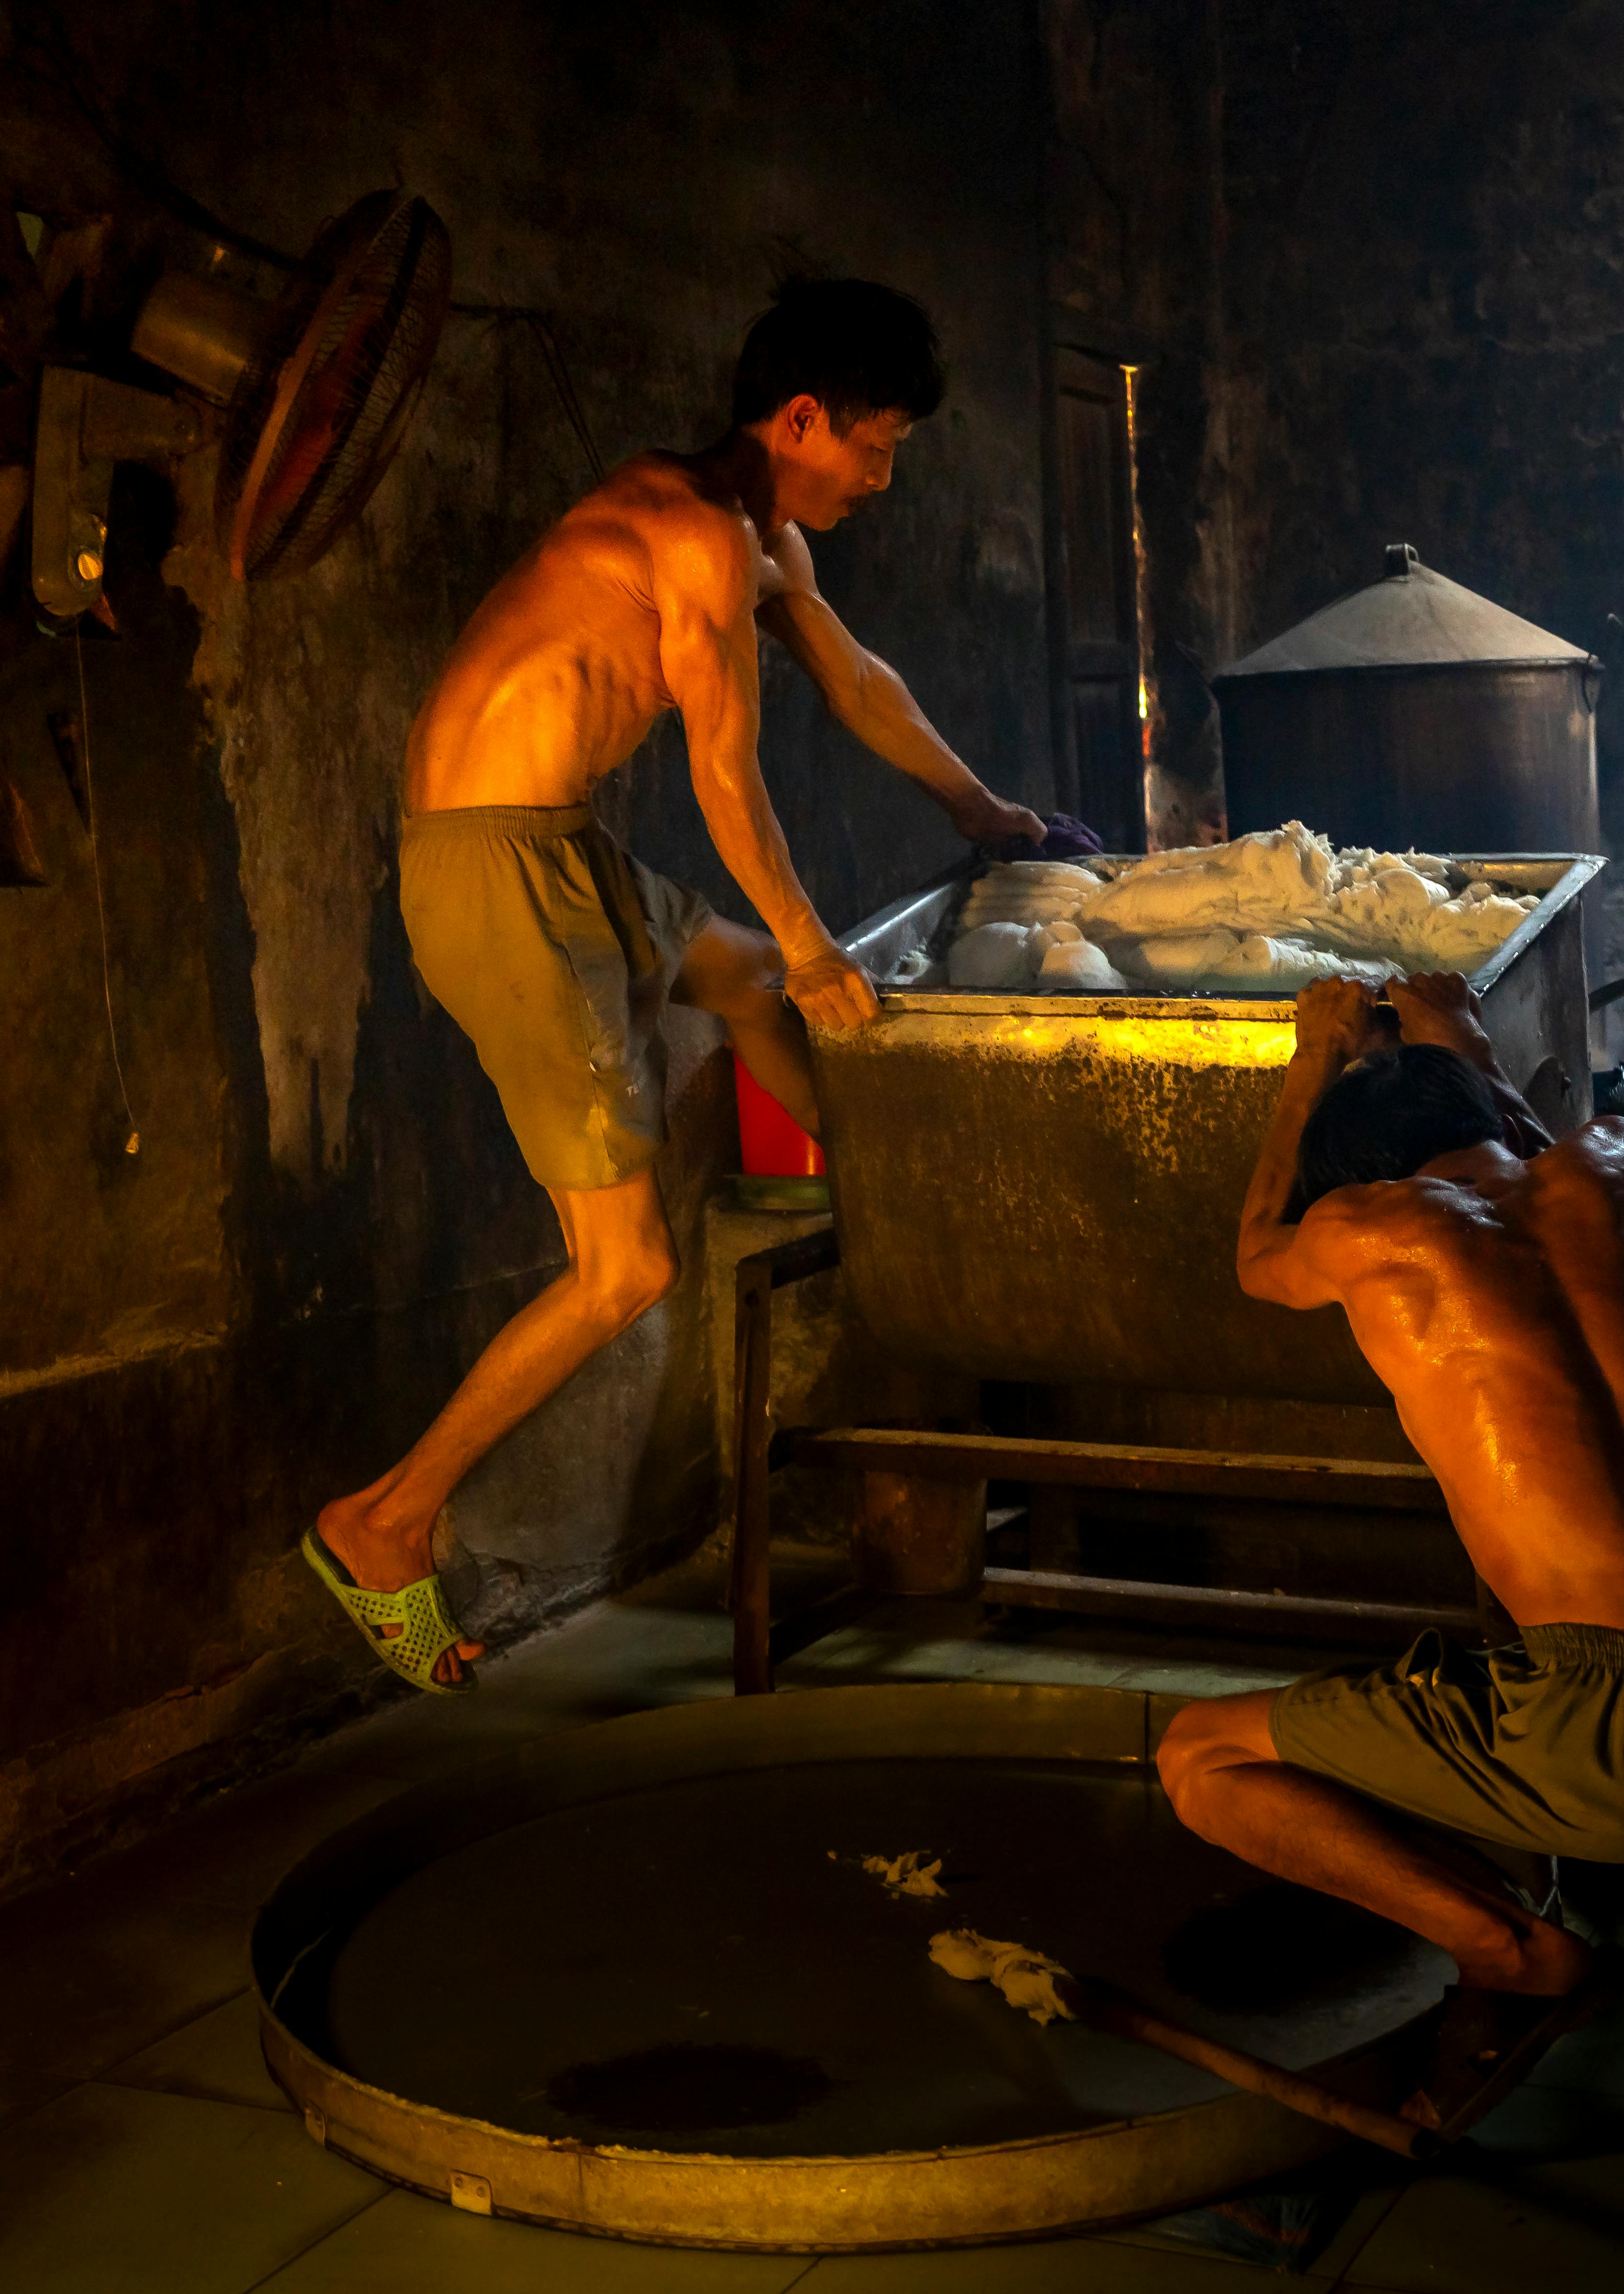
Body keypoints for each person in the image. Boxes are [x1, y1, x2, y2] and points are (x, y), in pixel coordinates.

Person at [302, 277, 1045, 1693]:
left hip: (560, 850)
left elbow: (859, 685)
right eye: (875, 448)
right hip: (494, 872)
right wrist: (827, 940)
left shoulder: (762, 542)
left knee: (750, 981)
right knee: (628, 1268)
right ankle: (384, 1519)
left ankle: (902, 1218)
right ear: (804, 419)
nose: (883, 480)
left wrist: (985, 810)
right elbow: (722, 768)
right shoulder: (691, 535)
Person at [1156, 974, 1624, 2134]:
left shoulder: (1362, 1230)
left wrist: (1310, 1060)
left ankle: (1515, 1950)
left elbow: (1256, 1255)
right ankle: (1564, 1856)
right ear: (1488, 1110)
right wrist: (1461, 1037)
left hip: (1620, 1752)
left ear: (1362, 1178)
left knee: (1198, 1759)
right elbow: (1532, 1157)